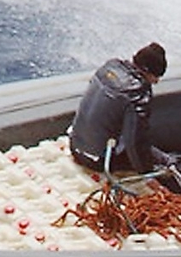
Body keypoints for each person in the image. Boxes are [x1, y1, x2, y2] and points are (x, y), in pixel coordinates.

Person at [69, 42, 170, 174]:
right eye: (156, 77)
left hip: (75, 147)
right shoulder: (137, 93)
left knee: (158, 155)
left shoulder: (109, 67)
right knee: (170, 163)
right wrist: (148, 171)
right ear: (146, 71)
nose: (156, 82)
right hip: (98, 161)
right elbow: (134, 142)